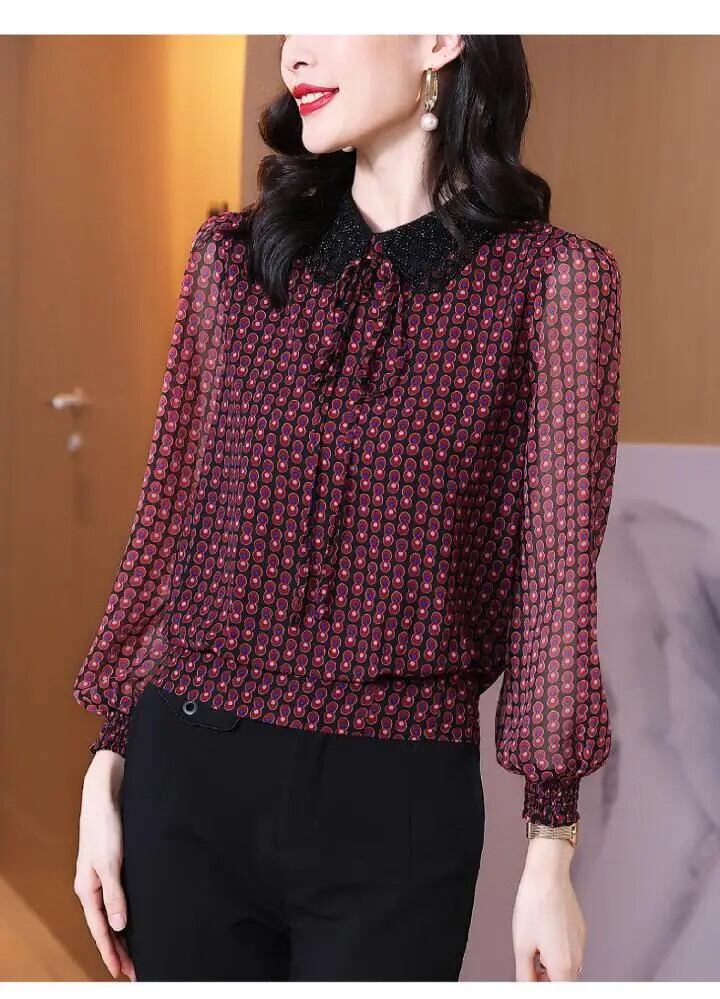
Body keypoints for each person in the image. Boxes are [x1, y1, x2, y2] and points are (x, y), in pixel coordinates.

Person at [72, 34, 622, 983]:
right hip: (186, 771)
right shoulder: (232, 261)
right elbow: (171, 521)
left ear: (440, 37)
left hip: (396, 807)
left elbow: (557, 574)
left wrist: (551, 844)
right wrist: (106, 762)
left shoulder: (550, 285)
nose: (296, 50)